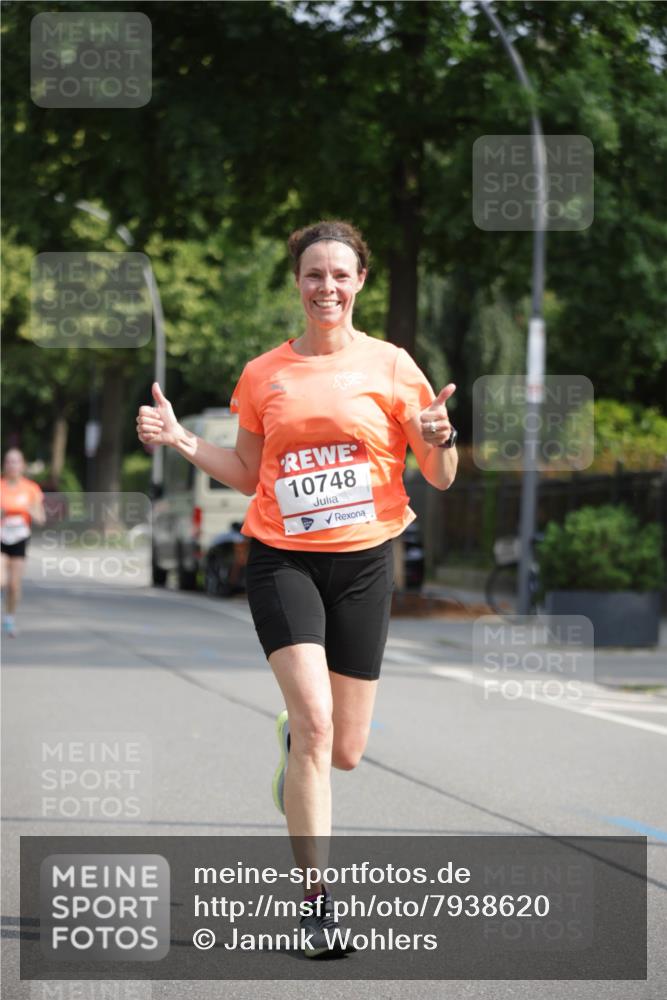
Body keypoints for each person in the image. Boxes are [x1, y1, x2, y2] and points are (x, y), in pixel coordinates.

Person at [136, 219, 458, 957]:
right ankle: (317, 905)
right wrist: (181, 438)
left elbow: (439, 476)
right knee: (316, 724)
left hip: (365, 563)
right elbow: (249, 473)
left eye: (340, 275)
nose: (327, 287)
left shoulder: (393, 366)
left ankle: (297, 745)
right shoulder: (264, 374)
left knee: (345, 750)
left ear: (360, 282)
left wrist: (442, 438)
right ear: (298, 282)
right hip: (283, 559)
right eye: (314, 274)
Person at [0, 448, 46, 636]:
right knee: (1, 580)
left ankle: (9, 619)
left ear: (22, 465)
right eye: (9, 461)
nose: (12, 465)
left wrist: (30, 509)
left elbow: (41, 519)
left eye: (16, 461)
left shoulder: (31, 489)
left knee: (14, 586)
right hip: (1, 537)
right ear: (4, 465)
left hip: (20, 538)